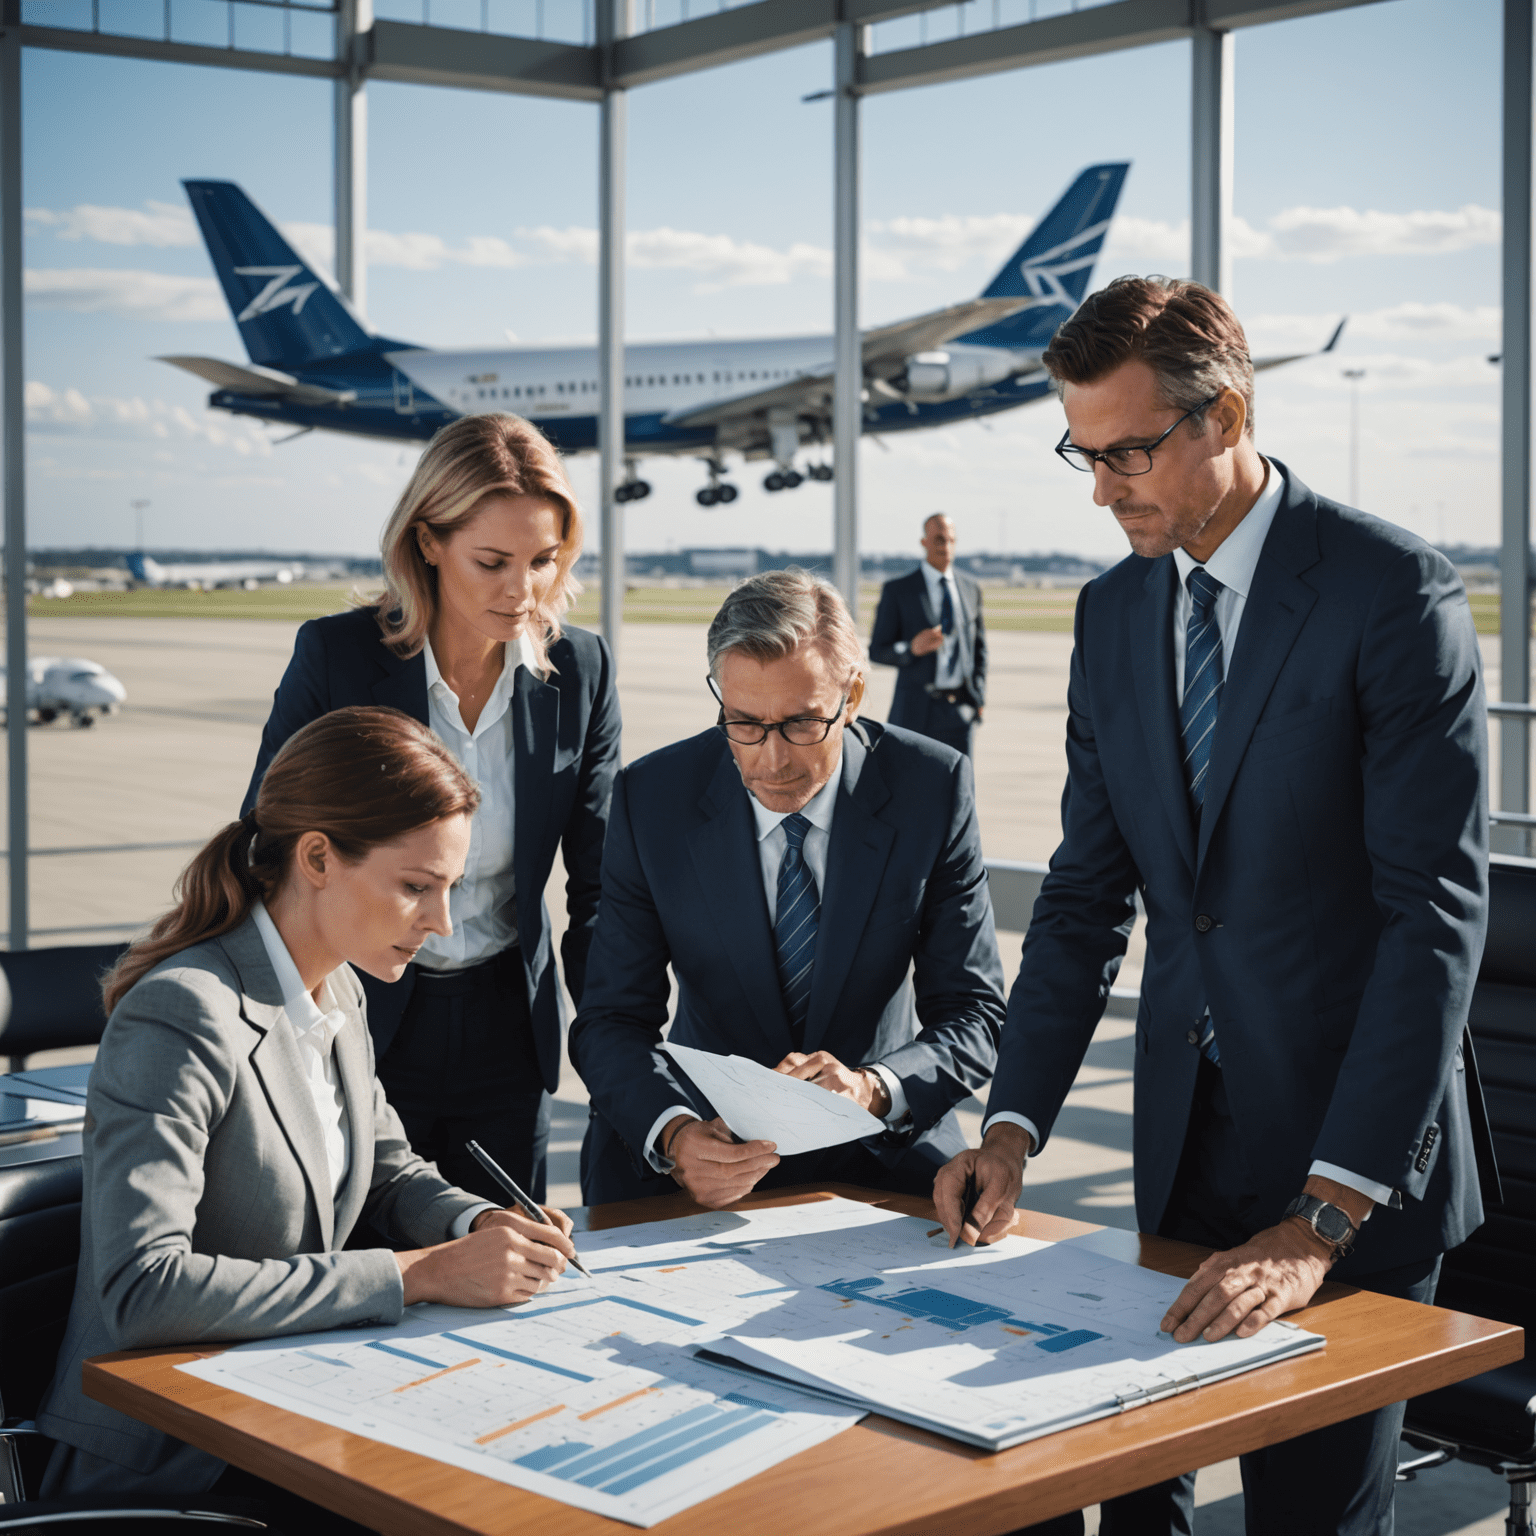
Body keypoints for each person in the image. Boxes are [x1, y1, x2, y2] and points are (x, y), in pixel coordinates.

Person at [934, 277, 1493, 1536]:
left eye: (1128, 452)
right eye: (1083, 452)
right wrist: (1013, 1125)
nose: (1101, 488)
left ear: (1224, 413)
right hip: (1183, 1146)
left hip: (1347, 1165)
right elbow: (1084, 898)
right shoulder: (1111, 610)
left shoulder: (1391, 593)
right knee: (1133, 1507)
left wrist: (1324, 1218)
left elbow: (1433, 919)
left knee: (1304, 1520)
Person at [37, 707, 579, 1523]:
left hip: (284, 1403)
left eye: (451, 889)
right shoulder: (183, 1014)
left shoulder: (338, 988)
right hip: (174, 1465)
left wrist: (476, 1224)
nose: (442, 924)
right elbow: (141, 1289)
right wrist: (418, 1274)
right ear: (318, 856)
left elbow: (388, 1171)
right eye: (415, 887)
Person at [243, 414, 621, 1206]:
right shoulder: (337, 657)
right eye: (492, 562)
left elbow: (599, 889)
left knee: (503, 1262)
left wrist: (619, 1049)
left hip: (506, 1030)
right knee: (371, 1268)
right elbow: (267, 850)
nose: (522, 591)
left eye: (543, 561)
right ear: (427, 542)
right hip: (356, 1015)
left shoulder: (578, 672)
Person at [571, 567, 1005, 1208]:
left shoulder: (930, 787)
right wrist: (676, 1134)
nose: (772, 760)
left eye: (803, 725)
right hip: (706, 1141)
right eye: (744, 723)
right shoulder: (652, 797)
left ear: (851, 696)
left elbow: (975, 1014)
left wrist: (874, 1088)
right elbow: (610, 1020)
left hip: (879, 1140)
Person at [869, 513, 987, 756]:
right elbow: (877, 651)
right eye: (939, 539)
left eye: (951, 540)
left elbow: (979, 649)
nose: (946, 546)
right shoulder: (899, 590)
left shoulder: (970, 588)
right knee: (912, 791)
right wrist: (911, 649)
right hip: (915, 712)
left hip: (960, 710)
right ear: (924, 542)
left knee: (959, 791)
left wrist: (979, 697)